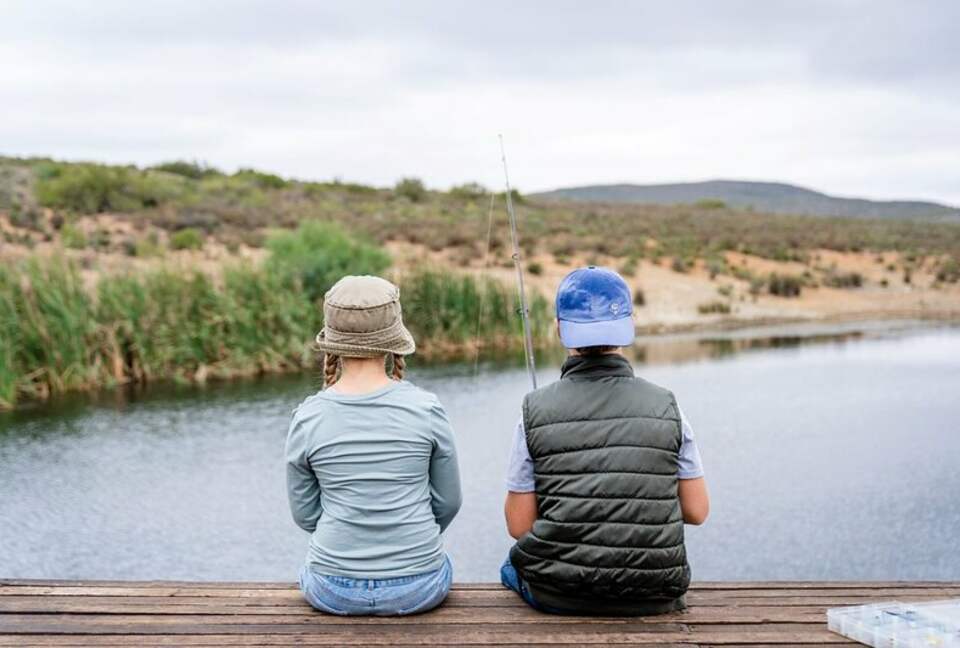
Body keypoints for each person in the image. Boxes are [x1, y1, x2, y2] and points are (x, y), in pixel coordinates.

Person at [501, 266, 710, 615]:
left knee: (511, 567)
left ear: (560, 329)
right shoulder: (668, 406)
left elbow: (519, 527)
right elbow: (696, 511)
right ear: (629, 326)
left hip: (560, 594)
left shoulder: (532, 410)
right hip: (656, 594)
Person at [285, 275, 462, 616]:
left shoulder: (307, 417)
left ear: (332, 341)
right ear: (394, 337)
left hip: (332, 589)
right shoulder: (427, 409)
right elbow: (448, 503)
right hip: (419, 586)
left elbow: (305, 514)